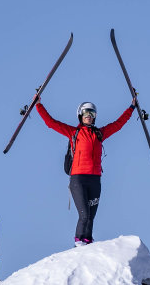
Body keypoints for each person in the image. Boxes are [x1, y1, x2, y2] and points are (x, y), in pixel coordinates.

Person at [36, 99, 135, 245]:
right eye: (86, 112)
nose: (89, 115)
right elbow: (51, 123)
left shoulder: (100, 134)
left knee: (91, 217)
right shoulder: (74, 133)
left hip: (95, 180)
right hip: (78, 179)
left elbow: (118, 124)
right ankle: (79, 241)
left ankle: (88, 241)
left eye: (92, 113)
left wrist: (132, 107)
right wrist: (38, 105)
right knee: (84, 215)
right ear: (80, 115)